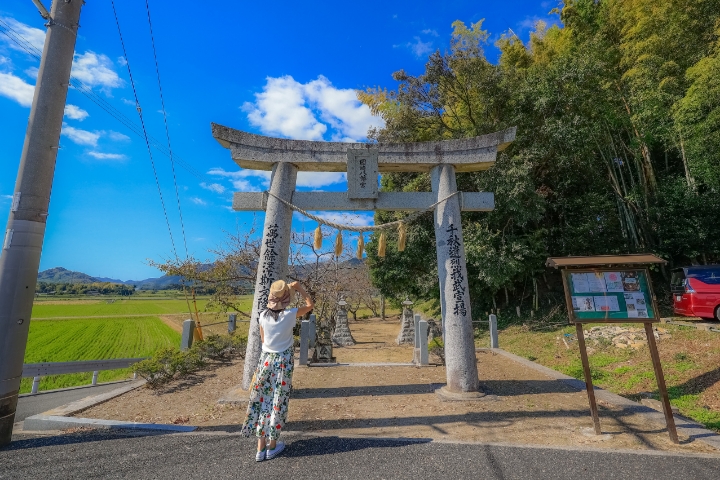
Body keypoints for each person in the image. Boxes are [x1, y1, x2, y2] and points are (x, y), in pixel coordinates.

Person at [241, 279, 314, 461]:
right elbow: (310, 305)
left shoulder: (262, 316)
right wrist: (298, 288)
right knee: (277, 401)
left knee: (261, 400)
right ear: (286, 299)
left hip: (265, 361)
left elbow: (264, 340)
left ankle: (260, 448)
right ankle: (272, 446)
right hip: (283, 362)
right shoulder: (289, 315)